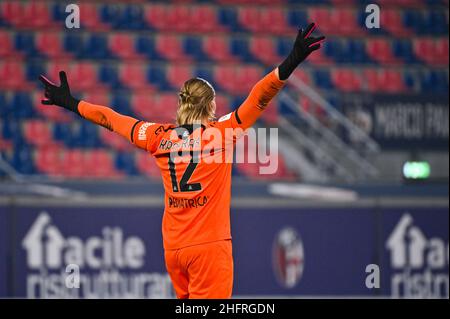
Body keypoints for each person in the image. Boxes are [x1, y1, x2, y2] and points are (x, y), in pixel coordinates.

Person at [38, 23, 325, 299]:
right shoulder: (223, 133)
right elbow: (259, 98)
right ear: (211, 106)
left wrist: (72, 103)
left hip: (175, 250)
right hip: (209, 250)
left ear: (181, 104)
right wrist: (290, 62)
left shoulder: (158, 137)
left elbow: (112, 120)